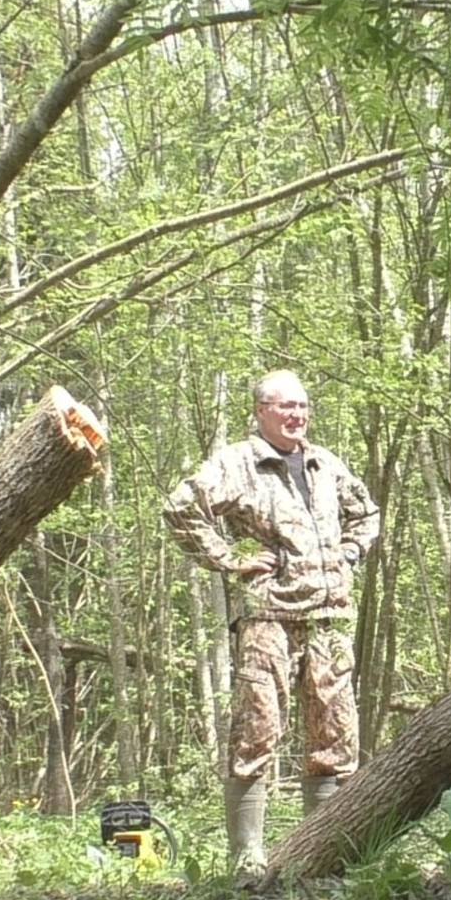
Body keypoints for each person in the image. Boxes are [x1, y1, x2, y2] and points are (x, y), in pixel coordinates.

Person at [164, 370, 379, 873]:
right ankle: (246, 860)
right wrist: (228, 557)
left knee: (335, 739)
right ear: (261, 411)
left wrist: (349, 554)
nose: (296, 416)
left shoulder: (326, 463)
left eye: (303, 407)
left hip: (329, 619)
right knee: (257, 731)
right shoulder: (239, 462)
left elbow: (366, 514)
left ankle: (322, 856)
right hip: (268, 617)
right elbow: (180, 508)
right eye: (285, 407)